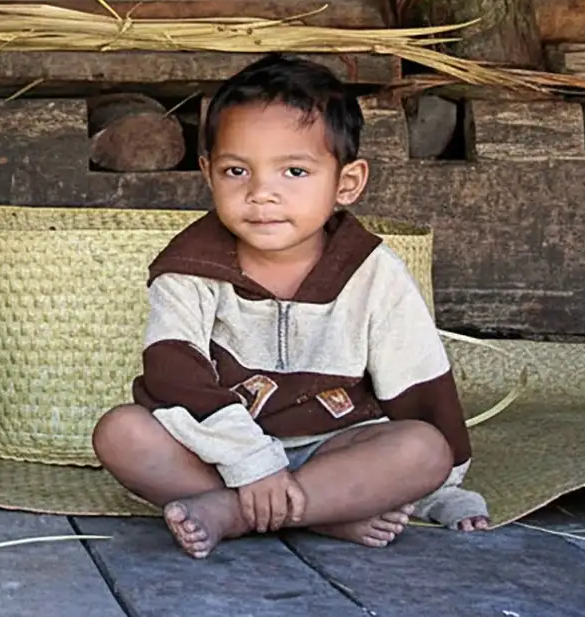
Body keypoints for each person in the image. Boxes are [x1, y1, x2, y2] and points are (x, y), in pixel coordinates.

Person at [91, 53, 490, 559]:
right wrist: (251, 463)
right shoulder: (187, 269)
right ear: (208, 174)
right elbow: (173, 377)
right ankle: (321, 515)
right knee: (121, 432)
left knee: (423, 448)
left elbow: (419, 380)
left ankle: (236, 513)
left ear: (346, 183)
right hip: (219, 450)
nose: (262, 194)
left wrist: (444, 489)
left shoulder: (372, 271)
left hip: (337, 448)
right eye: (237, 170)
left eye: (295, 171)